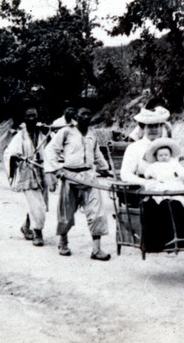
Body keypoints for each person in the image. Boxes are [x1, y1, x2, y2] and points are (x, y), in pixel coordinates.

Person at [121, 107, 184, 252]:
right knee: (166, 203)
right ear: (142, 127)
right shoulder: (134, 148)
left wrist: (180, 179)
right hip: (145, 188)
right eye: (150, 126)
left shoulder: (167, 147)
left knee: (182, 200)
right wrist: (146, 182)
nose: (154, 129)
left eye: (157, 125)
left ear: (162, 127)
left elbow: (175, 168)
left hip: (170, 186)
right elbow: (125, 175)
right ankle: (166, 240)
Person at [44, 103, 112, 260]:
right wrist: (56, 169)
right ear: (76, 117)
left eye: (89, 114)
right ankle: (63, 242)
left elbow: (97, 154)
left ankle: (96, 250)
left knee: (97, 213)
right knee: (66, 213)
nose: (86, 117)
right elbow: (50, 150)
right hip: (70, 177)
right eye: (82, 114)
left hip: (89, 178)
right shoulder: (66, 132)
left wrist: (104, 168)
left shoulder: (92, 135)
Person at [3, 108, 49, 247]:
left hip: (42, 172)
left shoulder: (42, 133)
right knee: (38, 206)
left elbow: (51, 148)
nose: (31, 119)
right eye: (28, 116)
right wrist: (16, 157)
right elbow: (9, 153)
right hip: (28, 173)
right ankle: (38, 233)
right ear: (24, 118)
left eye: (34, 116)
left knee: (39, 204)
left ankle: (26, 226)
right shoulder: (20, 136)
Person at [144, 137, 184, 215]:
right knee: (159, 190)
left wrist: (183, 176)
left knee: (183, 191)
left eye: (166, 155)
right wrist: (149, 176)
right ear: (156, 157)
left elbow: (182, 171)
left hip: (173, 181)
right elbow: (148, 173)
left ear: (170, 155)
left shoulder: (173, 163)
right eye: (161, 155)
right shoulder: (154, 165)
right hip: (161, 182)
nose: (163, 157)